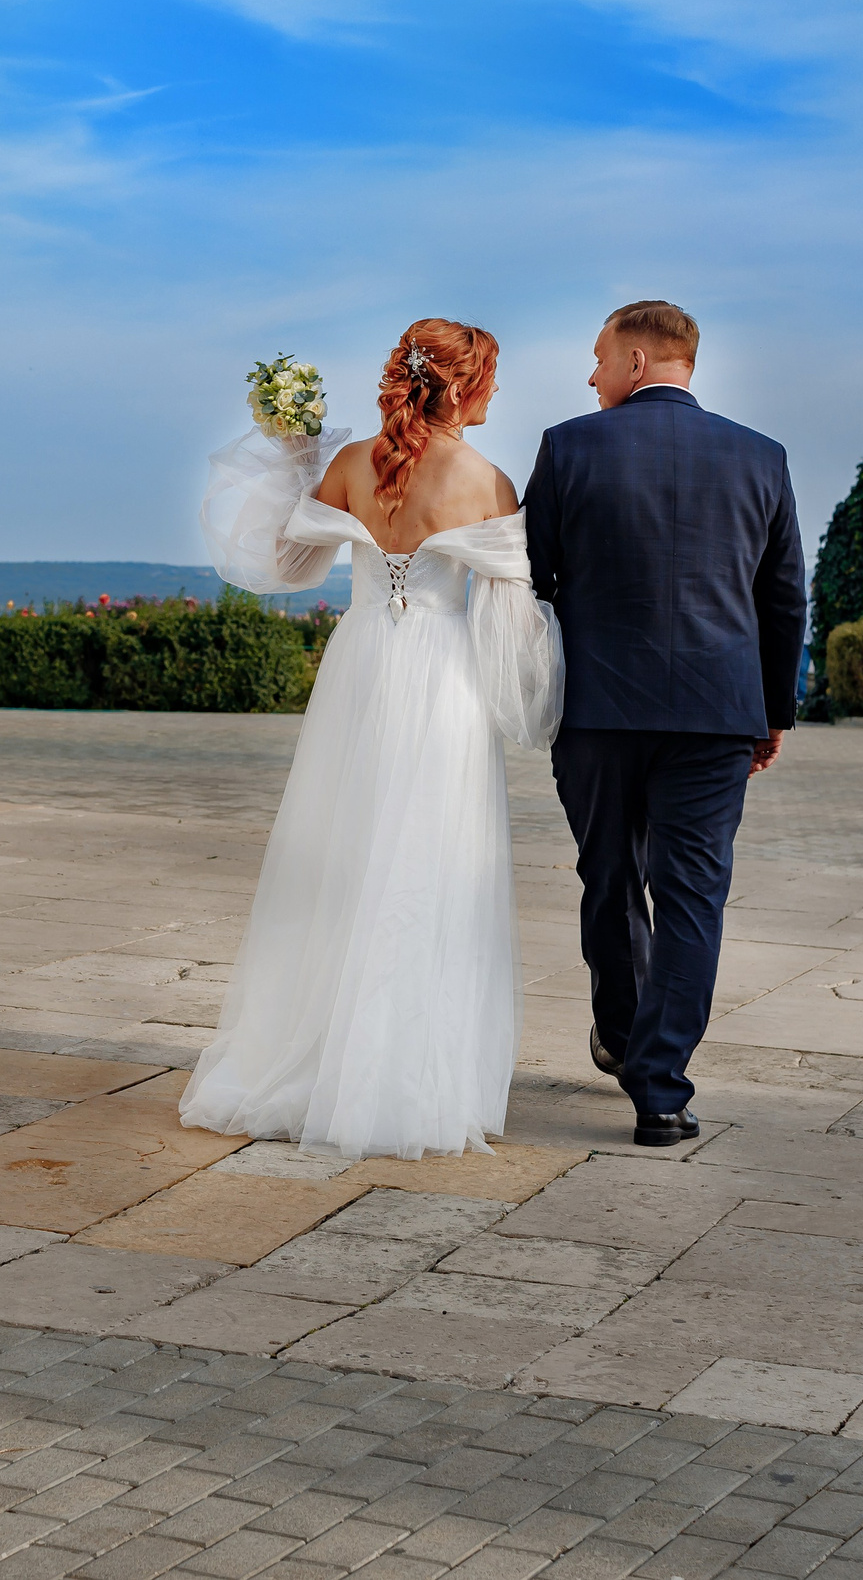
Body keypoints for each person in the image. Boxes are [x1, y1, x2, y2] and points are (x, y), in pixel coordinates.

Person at [182, 320, 563, 1160]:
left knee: (344, 853)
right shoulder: (487, 481)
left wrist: (290, 460)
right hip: (441, 680)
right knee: (429, 865)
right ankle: (401, 1077)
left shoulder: (353, 464)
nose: (496, 393)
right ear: (462, 386)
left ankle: (315, 1058)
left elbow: (284, 565)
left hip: (359, 666)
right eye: (491, 378)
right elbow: (512, 640)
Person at [523, 301, 805, 1147]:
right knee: (693, 897)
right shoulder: (763, 456)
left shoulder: (568, 445)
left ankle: (618, 1030)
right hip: (718, 714)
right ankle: (662, 1091)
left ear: (638, 360)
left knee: (608, 877)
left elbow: (531, 580)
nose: (591, 374)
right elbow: (784, 596)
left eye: (599, 357)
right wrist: (772, 710)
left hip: (599, 712)